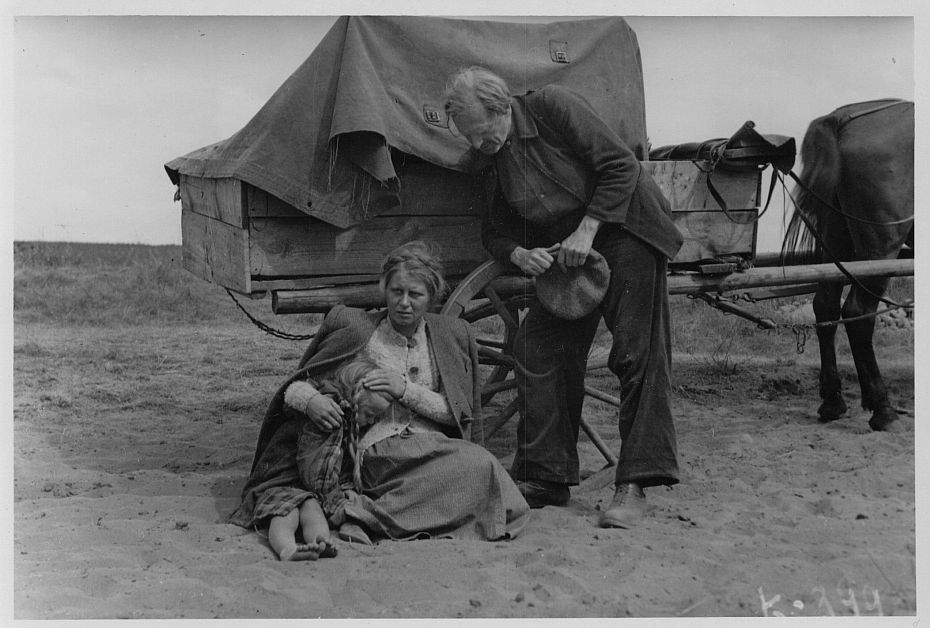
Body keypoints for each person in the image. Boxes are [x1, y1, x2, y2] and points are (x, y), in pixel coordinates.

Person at [443, 67, 684, 528]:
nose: (478, 145)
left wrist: (588, 228)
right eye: (469, 138)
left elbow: (621, 167)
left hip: (624, 228)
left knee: (638, 351)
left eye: (482, 133)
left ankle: (634, 484)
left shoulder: (552, 107)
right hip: (568, 252)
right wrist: (518, 251)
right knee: (537, 344)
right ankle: (546, 476)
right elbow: (492, 231)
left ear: (501, 109)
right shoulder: (487, 160)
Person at [228, 240, 530, 549]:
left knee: (483, 468)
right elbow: (296, 387)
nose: (404, 303)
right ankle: (368, 514)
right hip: (377, 453)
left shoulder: (448, 335)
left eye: (415, 295)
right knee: (475, 471)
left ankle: (360, 515)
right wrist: (313, 402)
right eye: (397, 292)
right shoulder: (360, 331)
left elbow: (455, 412)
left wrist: (405, 390)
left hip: (432, 446)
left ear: (432, 297)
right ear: (383, 288)